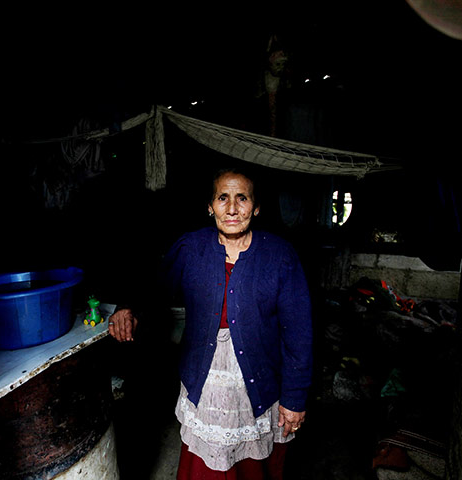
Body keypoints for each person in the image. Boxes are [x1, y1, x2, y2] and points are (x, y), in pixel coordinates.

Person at [108, 167, 313, 479]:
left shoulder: (280, 256)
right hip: (206, 378)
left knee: (255, 464)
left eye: (242, 198)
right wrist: (128, 307)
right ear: (210, 206)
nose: (232, 208)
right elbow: (155, 288)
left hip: (258, 379)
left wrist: (295, 398)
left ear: (256, 207)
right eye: (223, 198)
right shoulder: (191, 248)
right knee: (206, 464)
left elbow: (298, 331)